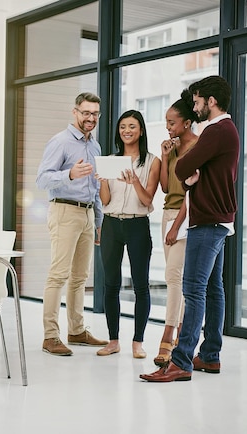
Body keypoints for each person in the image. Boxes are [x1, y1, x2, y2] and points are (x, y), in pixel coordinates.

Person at [140, 75, 239, 382]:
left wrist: (190, 174)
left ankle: (180, 361)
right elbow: (190, 174)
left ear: (210, 101)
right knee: (213, 290)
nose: (194, 107)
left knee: (193, 290)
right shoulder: (227, 130)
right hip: (219, 219)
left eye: (197, 102)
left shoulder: (215, 130)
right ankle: (209, 356)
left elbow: (182, 169)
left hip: (207, 219)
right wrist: (193, 175)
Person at [36, 92, 108, 356]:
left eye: (95, 114)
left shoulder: (94, 146)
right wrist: (69, 174)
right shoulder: (61, 142)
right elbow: (42, 180)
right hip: (64, 211)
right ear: (75, 112)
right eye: (86, 112)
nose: (90, 118)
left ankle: (76, 330)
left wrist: (98, 220)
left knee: (80, 277)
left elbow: (95, 185)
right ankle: (50, 336)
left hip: (88, 214)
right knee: (58, 275)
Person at [95, 110, 160, 357]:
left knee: (140, 285)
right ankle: (113, 341)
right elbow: (105, 201)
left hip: (137, 225)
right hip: (111, 224)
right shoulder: (110, 160)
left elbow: (147, 200)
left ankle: (138, 343)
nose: (127, 131)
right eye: (123, 127)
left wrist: (134, 181)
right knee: (110, 285)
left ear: (141, 130)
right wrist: (102, 180)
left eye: (132, 126)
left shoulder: (152, 162)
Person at [153, 90, 199, 367]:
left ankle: (168, 334)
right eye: (166, 122)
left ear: (186, 122)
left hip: (185, 215)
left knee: (173, 277)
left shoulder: (199, 147)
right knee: (175, 279)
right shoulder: (174, 148)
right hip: (168, 213)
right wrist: (165, 156)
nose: (168, 127)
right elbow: (166, 188)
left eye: (172, 122)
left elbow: (192, 193)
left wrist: (176, 225)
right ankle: (180, 330)